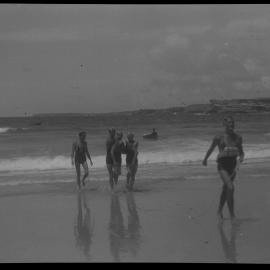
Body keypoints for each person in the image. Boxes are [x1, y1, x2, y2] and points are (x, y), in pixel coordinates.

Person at [202, 116, 244, 220]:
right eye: (229, 122)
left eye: (233, 123)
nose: (232, 124)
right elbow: (210, 149)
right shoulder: (218, 137)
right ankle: (232, 216)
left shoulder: (238, 138)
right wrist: (205, 159)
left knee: (226, 190)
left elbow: (241, 153)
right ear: (224, 124)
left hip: (233, 166)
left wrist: (240, 160)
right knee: (230, 187)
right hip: (222, 166)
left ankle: (219, 210)